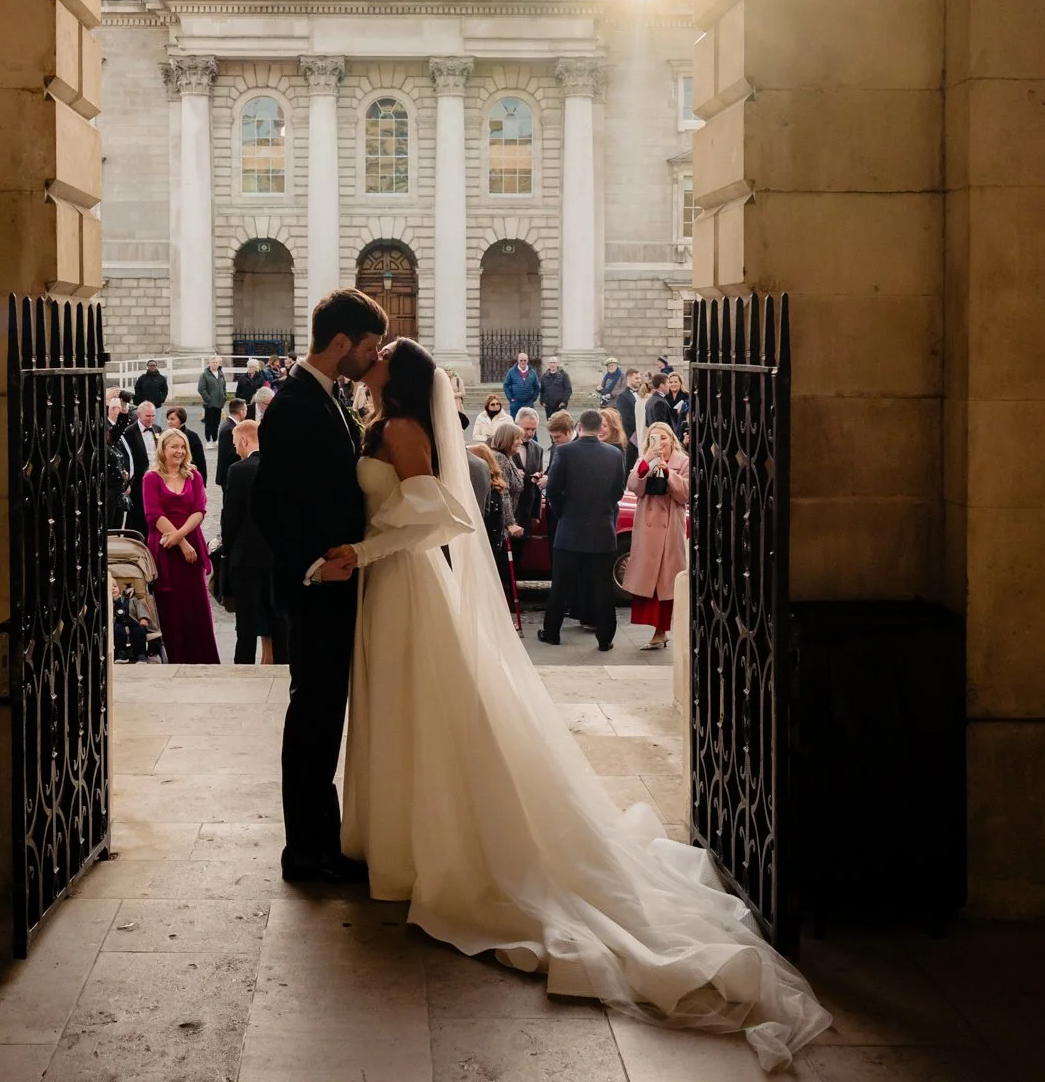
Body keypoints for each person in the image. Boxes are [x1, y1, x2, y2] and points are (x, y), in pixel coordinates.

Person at [322, 343, 829, 1069]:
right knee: (399, 714)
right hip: (384, 587)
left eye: (379, 357)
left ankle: (418, 849)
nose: (369, 361)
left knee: (418, 716)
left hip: (403, 588)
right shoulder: (381, 422)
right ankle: (393, 838)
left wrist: (362, 554)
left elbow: (441, 522)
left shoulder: (404, 432)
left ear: (392, 378)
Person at [251, 286, 388, 885]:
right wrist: (311, 564)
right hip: (313, 587)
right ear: (341, 343)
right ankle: (305, 853)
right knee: (312, 714)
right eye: (369, 346)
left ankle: (322, 841)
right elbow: (270, 502)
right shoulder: (293, 404)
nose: (372, 357)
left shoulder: (326, 395)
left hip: (334, 583)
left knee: (325, 713)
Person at [538, 409, 627, 652]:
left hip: (570, 529)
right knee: (603, 587)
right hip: (602, 530)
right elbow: (618, 491)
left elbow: (553, 489)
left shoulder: (565, 451)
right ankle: (605, 637)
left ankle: (552, 632)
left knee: (560, 585)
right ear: (600, 428)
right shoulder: (614, 453)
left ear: (578, 427)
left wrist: (563, 513)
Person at [141, 430, 219, 664]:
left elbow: (199, 510)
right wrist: (180, 542)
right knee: (170, 604)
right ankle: (173, 657)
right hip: (164, 549)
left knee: (194, 603)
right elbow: (153, 514)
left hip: (190, 547)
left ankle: (202, 658)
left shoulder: (193, 475)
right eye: (174, 446)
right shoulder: (151, 478)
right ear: (163, 449)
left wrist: (181, 536)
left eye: (182, 447)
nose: (179, 451)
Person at [221, 420, 289, 665]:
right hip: (278, 555)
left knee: (246, 624)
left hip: (246, 557)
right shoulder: (283, 467)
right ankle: (283, 669)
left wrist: (227, 551)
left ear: (243, 440)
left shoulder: (238, 470)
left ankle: (243, 671)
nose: (236, 449)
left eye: (235, 444)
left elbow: (230, 517)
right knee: (280, 620)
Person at [624, 422, 690, 650]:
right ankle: (656, 631)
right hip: (647, 525)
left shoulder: (683, 462)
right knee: (648, 579)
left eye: (663, 438)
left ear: (672, 439)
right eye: (654, 438)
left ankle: (661, 632)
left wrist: (669, 472)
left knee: (666, 581)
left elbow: (685, 494)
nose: (659, 443)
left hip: (670, 525)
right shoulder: (644, 458)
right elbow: (633, 486)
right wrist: (646, 464)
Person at [468, 440, 521, 612]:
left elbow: (494, 517)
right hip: (492, 542)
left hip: (488, 544)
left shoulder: (492, 489)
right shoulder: (496, 488)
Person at [120, 399, 162, 535]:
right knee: (138, 513)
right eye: (148, 416)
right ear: (139, 415)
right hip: (139, 480)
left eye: (153, 416)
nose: (151, 419)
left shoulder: (157, 429)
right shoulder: (129, 432)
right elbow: (126, 457)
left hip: (157, 477)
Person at [486, 418, 526, 521]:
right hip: (499, 521)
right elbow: (503, 492)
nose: (521, 442)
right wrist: (510, 523)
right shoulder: (500, 458)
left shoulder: (507, 457)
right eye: (517, 438)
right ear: (507, 439)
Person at [514, 409, 545, 531]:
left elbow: (538, 483)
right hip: (506, 509)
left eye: (533, 429)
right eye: (526, 429)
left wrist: (536, 514)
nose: (530, 433)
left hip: (526, 510)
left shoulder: (538, 449)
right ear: (516, 425)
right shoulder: (502, 445)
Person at [162, 405, 208, 482]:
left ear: (181, 420)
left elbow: (200, 461)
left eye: (172, 419)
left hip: (188, 476)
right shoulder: (165, 436)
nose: (169, 422)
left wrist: (202, 482)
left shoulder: (192, 436)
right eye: (168, 419)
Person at [215, 396, 246, 492]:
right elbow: (230, 453)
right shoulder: (230, 428)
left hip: (228, 473)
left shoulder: (229, 425)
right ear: (241, 412)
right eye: (245, 410)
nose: (246, 412)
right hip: (228, 474)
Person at [197, 355, 228, 442]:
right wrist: (208, 399)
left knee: (216, 423)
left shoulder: (221, 374)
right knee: (208, 423)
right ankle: (208, 440)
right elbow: (201, 389)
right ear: (209, 363)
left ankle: (215, 439)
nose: (215, 364)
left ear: (219, 364)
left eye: (216, 362)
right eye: (213, 362)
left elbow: (224, 387)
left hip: (219, 403)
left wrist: (224, 397)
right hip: (209, 404)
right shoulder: (204, 375)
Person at [502, 351, 540, 416]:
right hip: (515, 403)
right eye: (521, 360)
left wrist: (533, 398)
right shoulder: (511, 371)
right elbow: (506, 385)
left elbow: (537, 386)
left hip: (528, 403)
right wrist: (510, 398)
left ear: (527, 360)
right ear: (518, 360)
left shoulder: (532, 372)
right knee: (515, 423)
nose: (523, 362)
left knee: (528, 423)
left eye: (525, 360)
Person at [600, 403, 632, 479]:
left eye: (604, 426)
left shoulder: (616, 450)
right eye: (597, 425)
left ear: (614, 429)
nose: (599, 429)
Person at [665, 370, 691, 439]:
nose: (673, 384)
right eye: (670, 382)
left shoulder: (687, 395)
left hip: (683, 428)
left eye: (676, 382)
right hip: (669, 429)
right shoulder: (665, 397)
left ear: (680, 383)